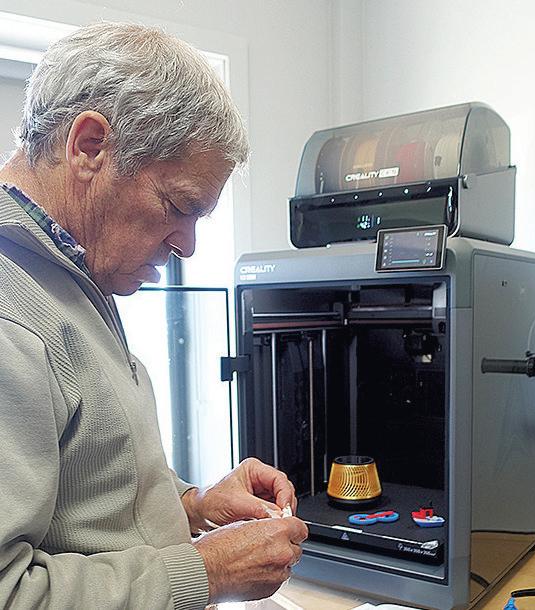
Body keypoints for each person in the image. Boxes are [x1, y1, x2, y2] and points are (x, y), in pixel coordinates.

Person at [0, 21, 308, 609]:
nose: (187, 246)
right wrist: (209, 569)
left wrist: (193, 504)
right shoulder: (10, 315)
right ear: (90, 146)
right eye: (178, 206)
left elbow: (86, 490)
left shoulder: (69, 270)